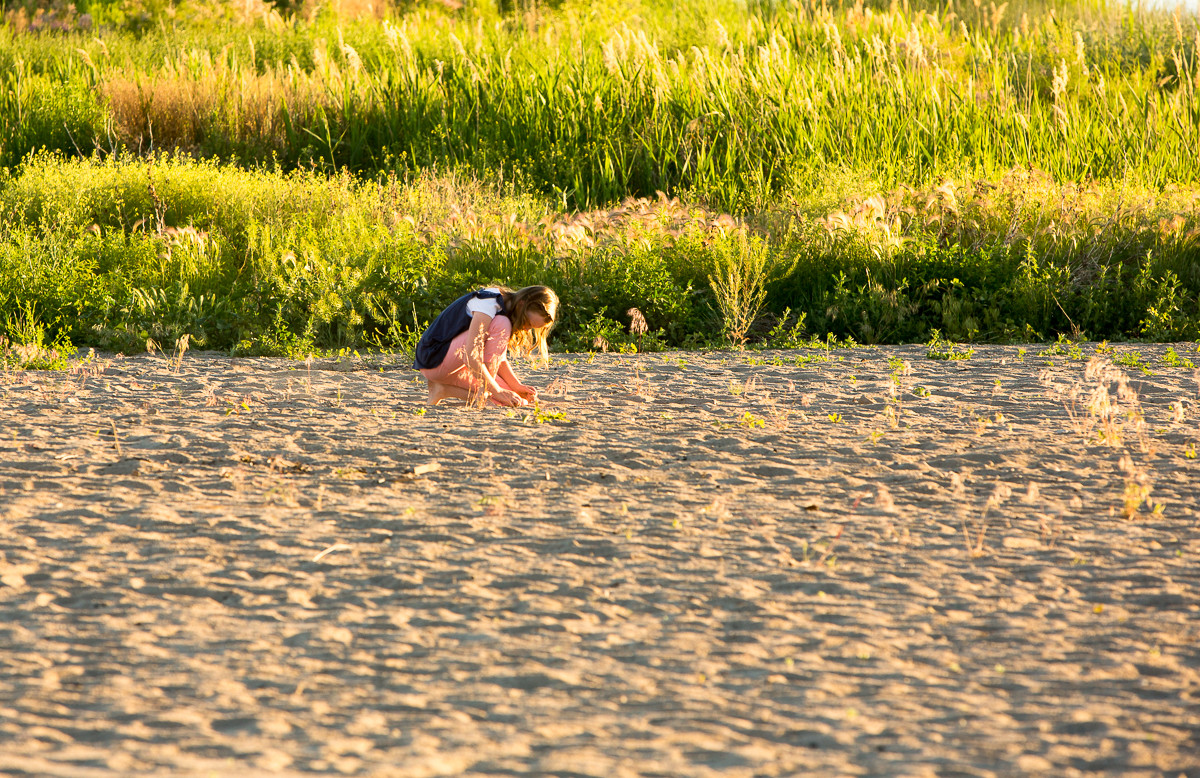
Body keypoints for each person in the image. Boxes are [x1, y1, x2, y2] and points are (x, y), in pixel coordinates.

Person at [414, 285, 558, 407]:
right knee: (502, 323)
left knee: (517, 401)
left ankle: (443, 390)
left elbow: (497, 359)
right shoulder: (489, 304)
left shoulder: (504, 311)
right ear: (522, 303)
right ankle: (485, 391)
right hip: (434, 357)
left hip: (453, 363)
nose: (526, 329)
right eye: (528, 322)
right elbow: (472, 355)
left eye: (531, 328)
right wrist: (497, 390)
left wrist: (516, 386)